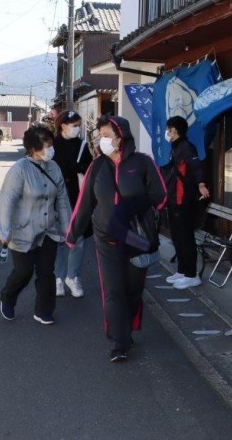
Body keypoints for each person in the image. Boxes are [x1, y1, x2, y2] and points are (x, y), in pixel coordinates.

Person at [67, 115, 166, 362]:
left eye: (108, 135)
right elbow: (84, 203)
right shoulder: (97, 166)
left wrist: (134, 206)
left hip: (136, 240)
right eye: (101, 136)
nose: (104, 141)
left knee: (133, 290)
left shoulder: (143, 163)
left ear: (122, 136)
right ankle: (118, 342)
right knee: (113, 291)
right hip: (106, 238)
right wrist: (72, 234)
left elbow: (161, 195)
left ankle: (128, 329)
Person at [0, 125, 71, 325]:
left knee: (47, 272)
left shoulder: (54, 168)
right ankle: (7, 296)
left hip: (49, 230)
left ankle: (44, 310)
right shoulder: (19, 169)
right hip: (23, 230)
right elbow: (7, 201)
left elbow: (62, 199)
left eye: (51, 145)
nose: (50, 150)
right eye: (46, 146)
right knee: (24, 271)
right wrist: (4, 231)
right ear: (33, 148)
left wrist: (67, 227)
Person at [161, 116, 210, 290]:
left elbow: (196, 167)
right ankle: (182, 271)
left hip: (184, 200)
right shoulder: (176, 148)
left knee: (185, 237)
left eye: (168, 129)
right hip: (174, 198)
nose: (167, 132)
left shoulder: (186, 147)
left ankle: (191, 274)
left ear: (174, 130)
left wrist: (201, 183)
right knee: (177, 237)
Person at [52, 111, 93, 298]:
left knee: (78, 238)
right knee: (59, 239)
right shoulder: (51, 144)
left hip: (78, 197)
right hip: (55, 197)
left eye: (78, 124)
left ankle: (72, 276)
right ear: (63, 125)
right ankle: (58, 278)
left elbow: (90, 169)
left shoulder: (83, 145)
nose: (77, 128)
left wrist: (80, 168)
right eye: (74, 125)